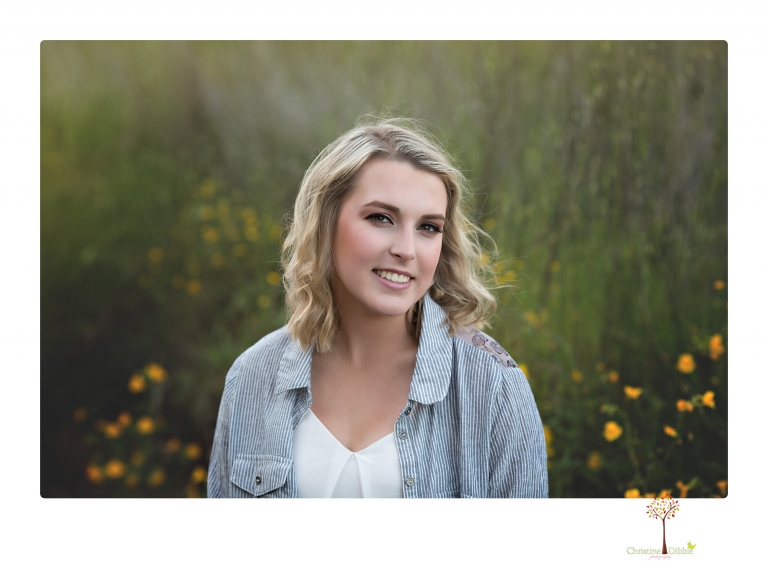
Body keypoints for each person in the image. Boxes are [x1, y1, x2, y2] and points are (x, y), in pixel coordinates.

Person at [207, 118, 548, 498]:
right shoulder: (253, 377)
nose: (406, 249)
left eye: (428, 227)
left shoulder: (493, 387)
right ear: (326, 223)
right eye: (381, 218)